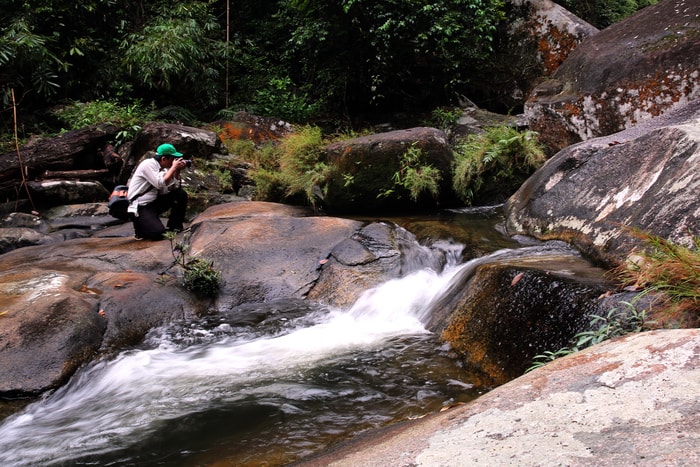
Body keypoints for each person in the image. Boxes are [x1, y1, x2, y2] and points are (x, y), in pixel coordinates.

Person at [127, 143, 189, 240]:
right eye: (173, 159)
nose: (174, 162)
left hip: (153, 203)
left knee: (180, 194)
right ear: (164, 159)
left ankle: (175, 227)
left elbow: (172, 188)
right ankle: (140, 227)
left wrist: (177, 171)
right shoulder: (147, 164)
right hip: (141, 206)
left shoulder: (163, 168)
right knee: (158, 234)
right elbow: (159, 183)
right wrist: (173, 168)